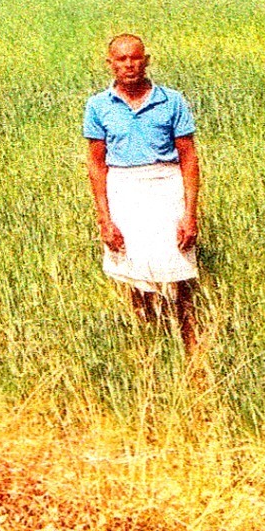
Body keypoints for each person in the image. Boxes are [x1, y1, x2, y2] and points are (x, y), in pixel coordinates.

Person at [83, 33, 200, 353]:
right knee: (134, 272)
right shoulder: (98, 106)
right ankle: (152, 346)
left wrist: (190, 214)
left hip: (165, 186)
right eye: (121, 59)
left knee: (178, 268)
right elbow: (96, 165)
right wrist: (105, 220)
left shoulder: (172, 100)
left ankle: (190, 346)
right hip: (125, 190)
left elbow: (189, 158)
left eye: (135, 58)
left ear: (146, 61)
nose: (129, 65)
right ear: (110, 64)